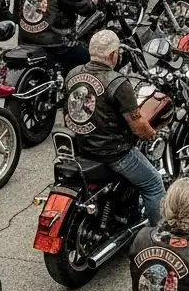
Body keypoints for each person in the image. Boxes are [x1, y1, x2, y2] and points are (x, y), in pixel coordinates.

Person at [64, 30, 165, 227]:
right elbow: (138, 126)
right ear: (112, 55)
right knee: (154, 184)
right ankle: (158, 236)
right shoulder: (117, 82)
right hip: (113, 154)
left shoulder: (72, 75)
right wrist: (152, 134)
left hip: (82, 147)